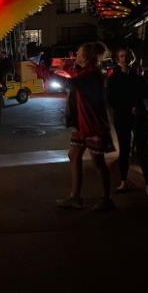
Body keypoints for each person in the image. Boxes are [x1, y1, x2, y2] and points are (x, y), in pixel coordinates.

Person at [55, 42, 115, 211]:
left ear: (87, 57)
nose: (77, 55)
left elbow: (72, 83)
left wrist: (43, 72)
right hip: (83, 124)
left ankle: (106, 199)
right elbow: (74, 75)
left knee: (98, 162)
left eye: (80, 53)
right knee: (74, 155)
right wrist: (67, 66)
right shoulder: (86, 72)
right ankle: (75, 197)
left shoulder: (92, 74)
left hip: (93, 125)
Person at [107, 48, 148, 198]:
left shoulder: (138, 75)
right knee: (124, 150)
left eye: (126, 56)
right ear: (117, 59)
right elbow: (111, 99)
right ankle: (123, 181)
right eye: (121, 56)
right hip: (122, 117)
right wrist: (129, 106)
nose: (124, 59)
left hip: (139, 116)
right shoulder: (114, 78)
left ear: (131, 58)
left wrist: (142, 78)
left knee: (143, 150)